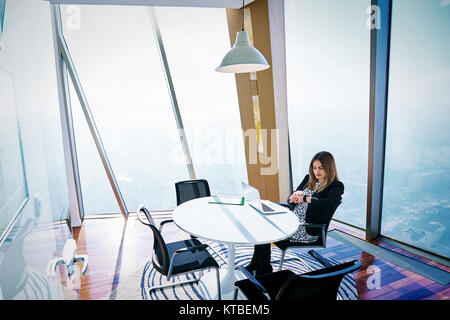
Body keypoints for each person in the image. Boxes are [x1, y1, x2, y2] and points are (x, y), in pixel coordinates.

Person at [245, 151, 344, 276]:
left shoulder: (336, 186)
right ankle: (257, 264)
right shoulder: (308, 179)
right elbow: (290, 201)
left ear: (329, 168)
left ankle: (263, 269)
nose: (316, 171)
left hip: (306, 228)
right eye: (314, 168)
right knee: (262, 224)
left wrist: (305, 198)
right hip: (290, 220)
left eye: (321, 168)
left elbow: (328, 204)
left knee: (266, 230)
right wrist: (292, 197)